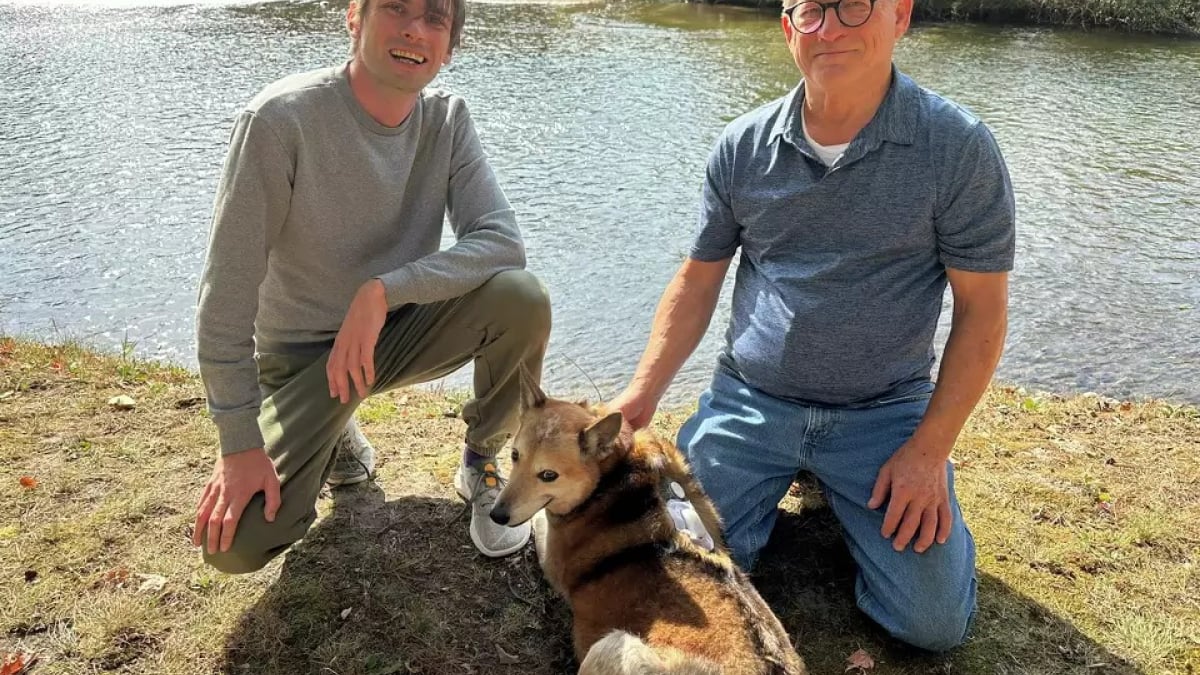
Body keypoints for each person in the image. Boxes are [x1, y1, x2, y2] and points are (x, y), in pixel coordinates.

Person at [610, 0, 1015, 652]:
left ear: (900, 15)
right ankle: (787, 484)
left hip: (884, 412)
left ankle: (848, 492)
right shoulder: (742, 147)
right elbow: (697, 281)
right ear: (788, 29)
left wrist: (929, 448)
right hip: (752, 401)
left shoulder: (958, 150)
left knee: (932, 624)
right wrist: (641, 393)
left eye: (853, 6)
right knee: (665, 569)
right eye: (811, 10)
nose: (830, 27)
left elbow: (983, 312)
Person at [192, 0, 550, 574]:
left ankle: (480, 460)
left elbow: (502, 241)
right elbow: (225, 295)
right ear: (354, 17)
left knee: (521, 298)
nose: (414, 29)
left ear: (449, 46)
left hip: (396, 328)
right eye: (396, 8)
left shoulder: (447, 119)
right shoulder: (278, 120)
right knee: (236, 544)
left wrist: (383, 289)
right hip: (303, 358)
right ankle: (335, 433)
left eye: (435, 18)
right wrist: (239, 444)